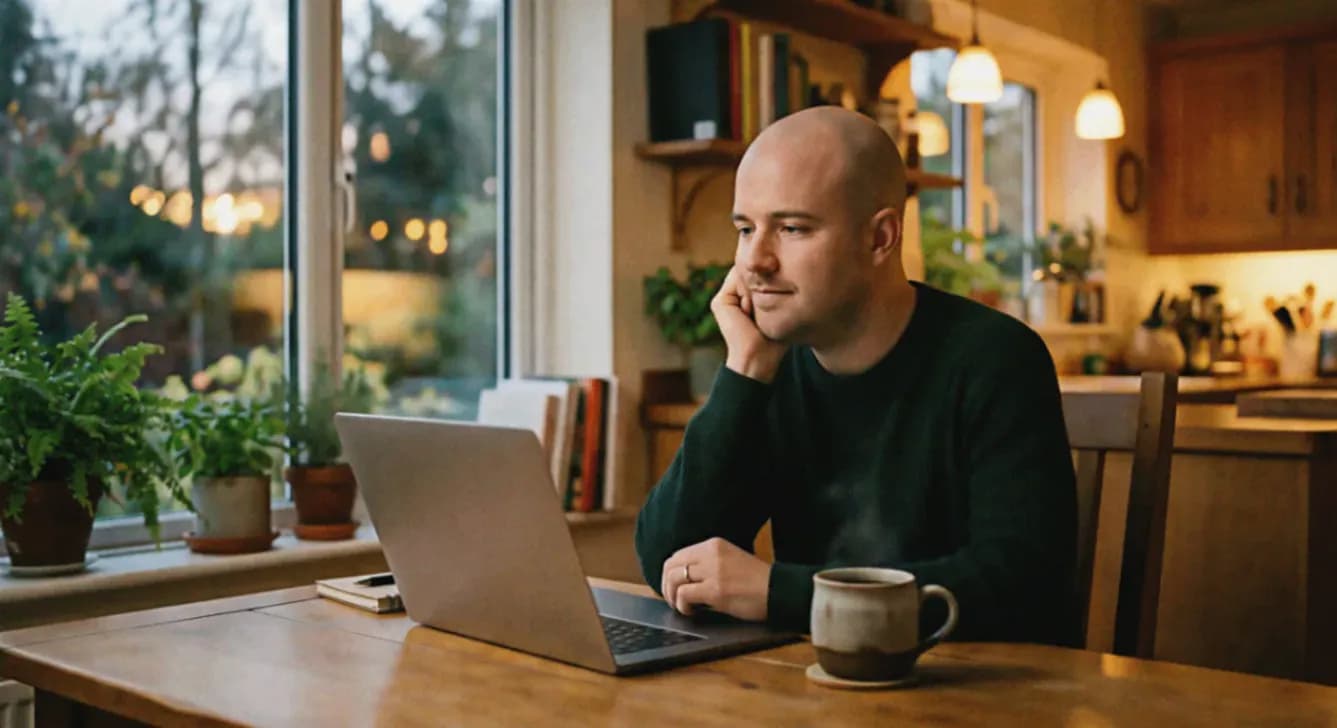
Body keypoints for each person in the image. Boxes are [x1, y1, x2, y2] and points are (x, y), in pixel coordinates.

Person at [633, 106, 1077, 644]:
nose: (755, 261)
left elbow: (1019, 586)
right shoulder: (772, 365)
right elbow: (668, 560)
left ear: (880, 238)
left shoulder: (997, 359)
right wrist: (743, 372)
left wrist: (780, 593)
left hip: (980, 696)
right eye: (746, 229)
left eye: (792, 228)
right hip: (820, 691)